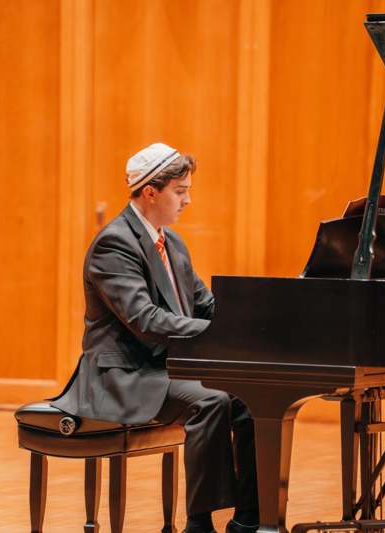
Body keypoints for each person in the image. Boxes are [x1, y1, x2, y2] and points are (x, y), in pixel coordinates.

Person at [52, 142, 259, 533]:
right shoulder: (114, 244)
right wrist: (218, 333)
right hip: (122, 376)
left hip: (161, 369)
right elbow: (145, 319)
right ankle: (199, 524)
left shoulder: (172, 243)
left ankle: (248, 520)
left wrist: (252, 323)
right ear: (150, 192)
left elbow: (205, 305)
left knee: (250, 397)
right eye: (180, 192)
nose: (188, 200)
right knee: (211, 400)